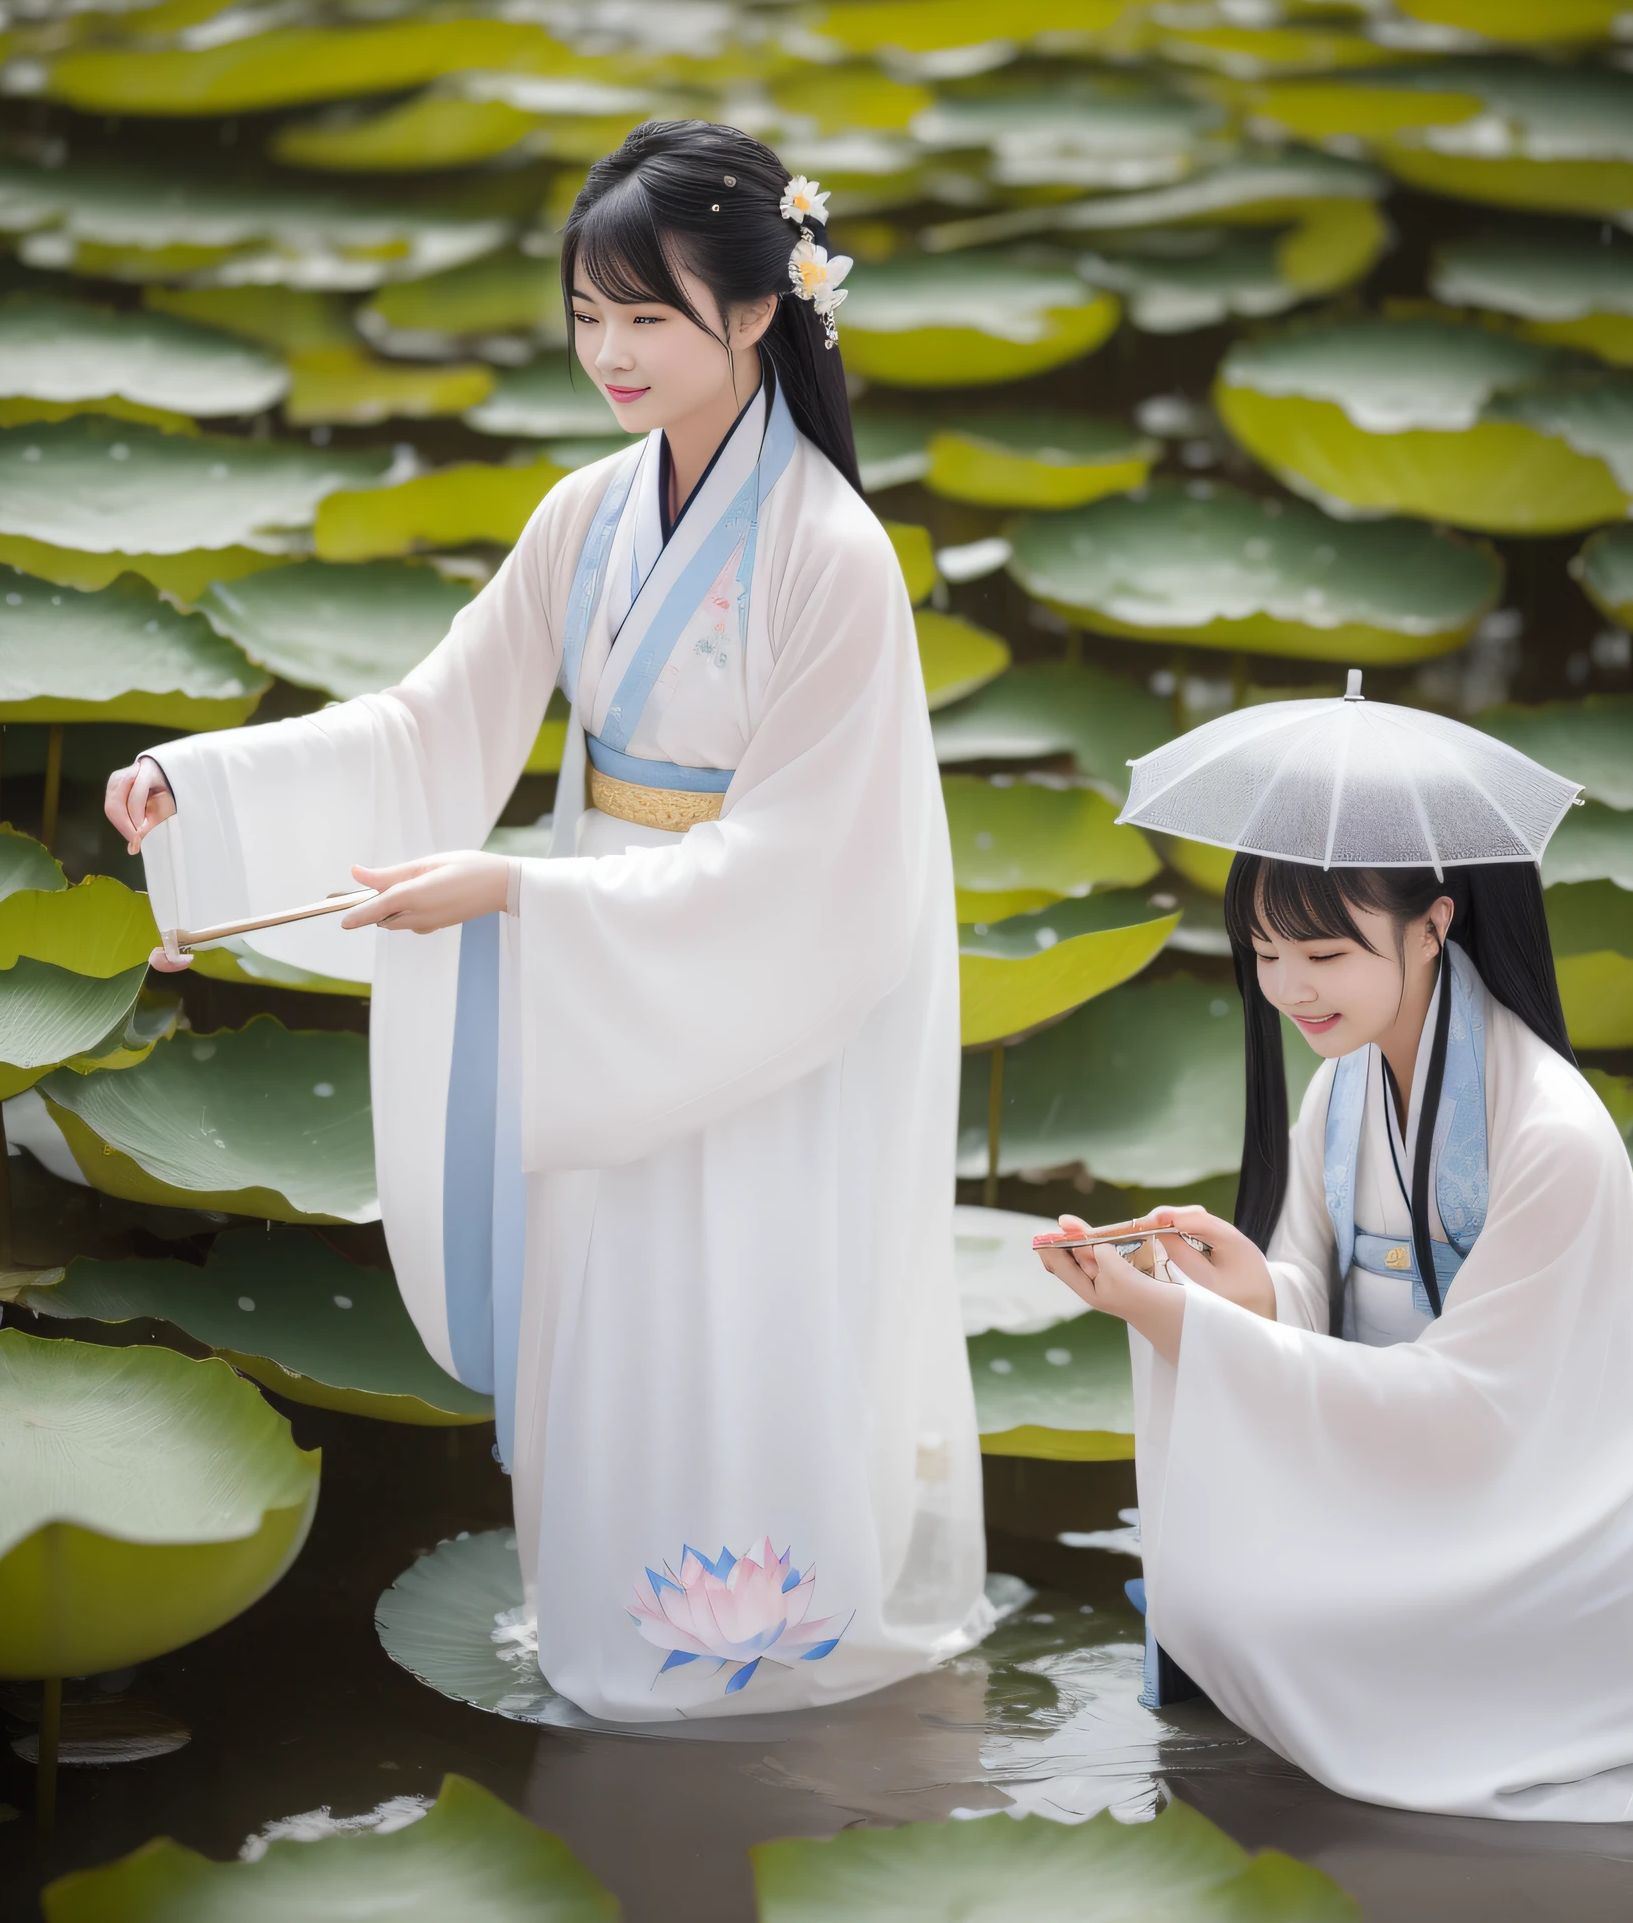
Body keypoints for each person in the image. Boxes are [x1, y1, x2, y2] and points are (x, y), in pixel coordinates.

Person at [105, 122, 988, 1720]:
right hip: (604, 965)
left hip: (737, 987)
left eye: (648, 316)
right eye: (589, 315)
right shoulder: (586, 517)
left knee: (733, 1302)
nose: (611, 354)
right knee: (615, 1309)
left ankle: (756, 1664)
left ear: (761, 309)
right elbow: (428, 726)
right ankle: (617, 1632)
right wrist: (202, 785)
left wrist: (518, 890)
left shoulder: (832, 557)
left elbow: (808, 863)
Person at [1040, 769, 1633, 1817]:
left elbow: (1471, 1403)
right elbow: (1312, 1287)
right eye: (1263, 953)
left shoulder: (1552, 1132)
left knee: (1300, 1634)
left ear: (1432, 924)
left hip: (1614, 1518)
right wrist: (1247, 1292)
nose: (1289, 987)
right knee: (1233, 1603)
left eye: (1325, 952)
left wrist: (1176, 1320)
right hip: (1453, 1476)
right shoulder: (1336, 1086)